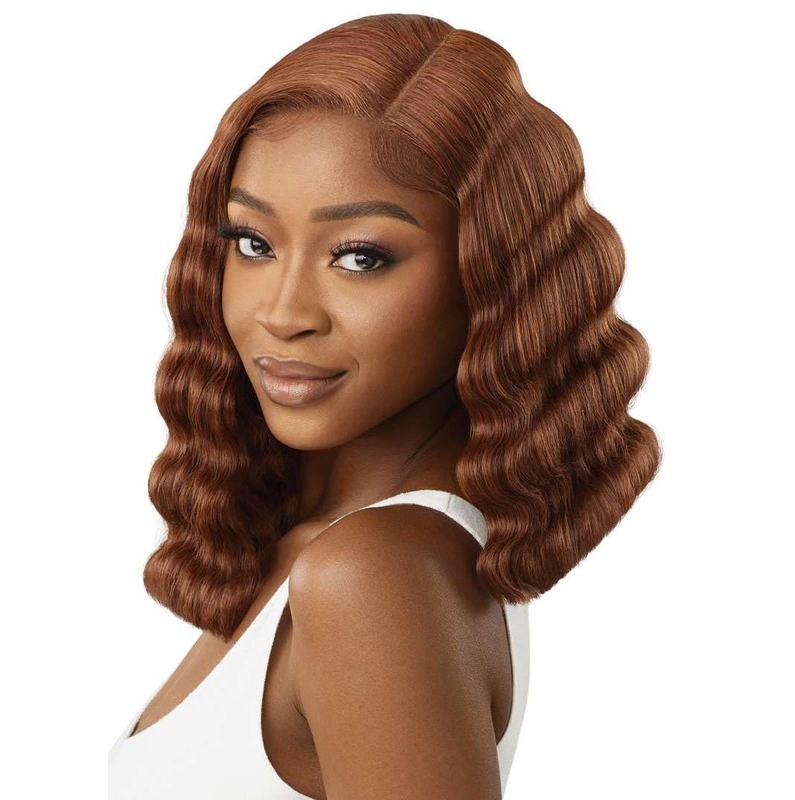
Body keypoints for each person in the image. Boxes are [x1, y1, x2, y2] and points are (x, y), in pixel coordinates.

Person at [108, 12, 661, 799]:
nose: (283, 313)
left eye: (359, 257)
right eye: (253, 243)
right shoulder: (342, 547)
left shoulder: (373, 575)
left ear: (490, 274)